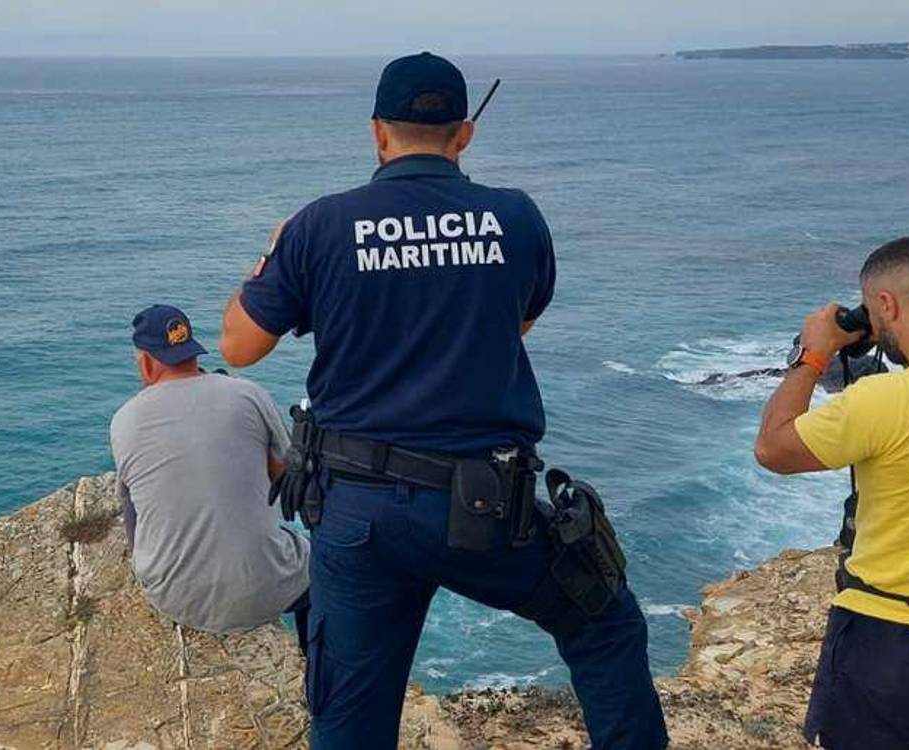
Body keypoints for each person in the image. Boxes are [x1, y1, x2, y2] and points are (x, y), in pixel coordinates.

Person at [219, 52, 667, 749]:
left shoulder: (319, 225)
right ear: (463, 134)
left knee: (349, 711)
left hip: (356, 509)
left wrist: (269, 257)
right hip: (482, 506)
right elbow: (514, 323)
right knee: (602, 621)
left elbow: (239, 347)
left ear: (377, 132)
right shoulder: (514, 217)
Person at [754, 237, 909, 750]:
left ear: (886, 305)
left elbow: (773, 449)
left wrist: (812, 354)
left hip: (889, 638)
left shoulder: (886, 399)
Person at [109, 304, 310, 646]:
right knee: (322, 567)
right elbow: (286, 474)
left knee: (128, 493)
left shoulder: (124, 421)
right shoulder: (247, 393)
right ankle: (314, 665)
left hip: (175, 597)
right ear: (190, 350)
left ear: (145, 362)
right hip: (269, 589)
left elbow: (136, 507)